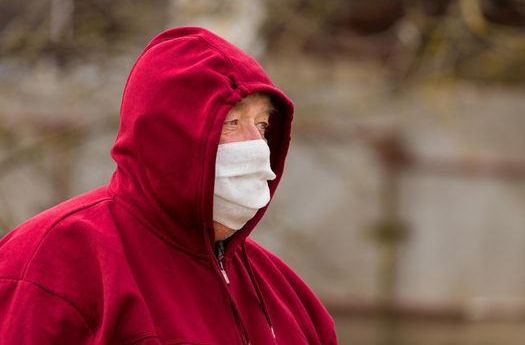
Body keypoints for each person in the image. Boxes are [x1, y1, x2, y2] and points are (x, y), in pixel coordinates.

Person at [0, 27, 337, 344]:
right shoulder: (53, 263)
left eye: (262, 125)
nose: (256, 146)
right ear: (168, 134)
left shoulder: (288, 298)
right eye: (231, 122)